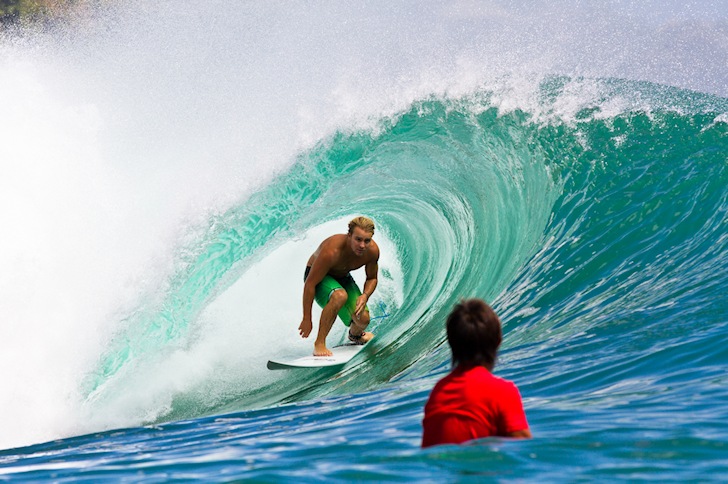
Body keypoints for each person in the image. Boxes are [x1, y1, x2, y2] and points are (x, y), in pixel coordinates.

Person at [421, 299, 531, 447]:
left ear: (452, 344)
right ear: (498, 340)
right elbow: (525, 449)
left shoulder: (438, 392)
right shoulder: (502, 392)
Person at [298, 216, 379, 356]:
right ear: (349, 235)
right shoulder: (332, 251)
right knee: (339, 296)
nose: (362, 245)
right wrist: (307, 318)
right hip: (317, 278)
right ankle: (319, 344)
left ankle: (355, 336)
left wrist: (365, 296)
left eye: (367, 240)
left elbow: (372, 278)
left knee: (363, 319)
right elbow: (310, 284)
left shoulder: (372, 252)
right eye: (358, 239)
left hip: (343, 277)